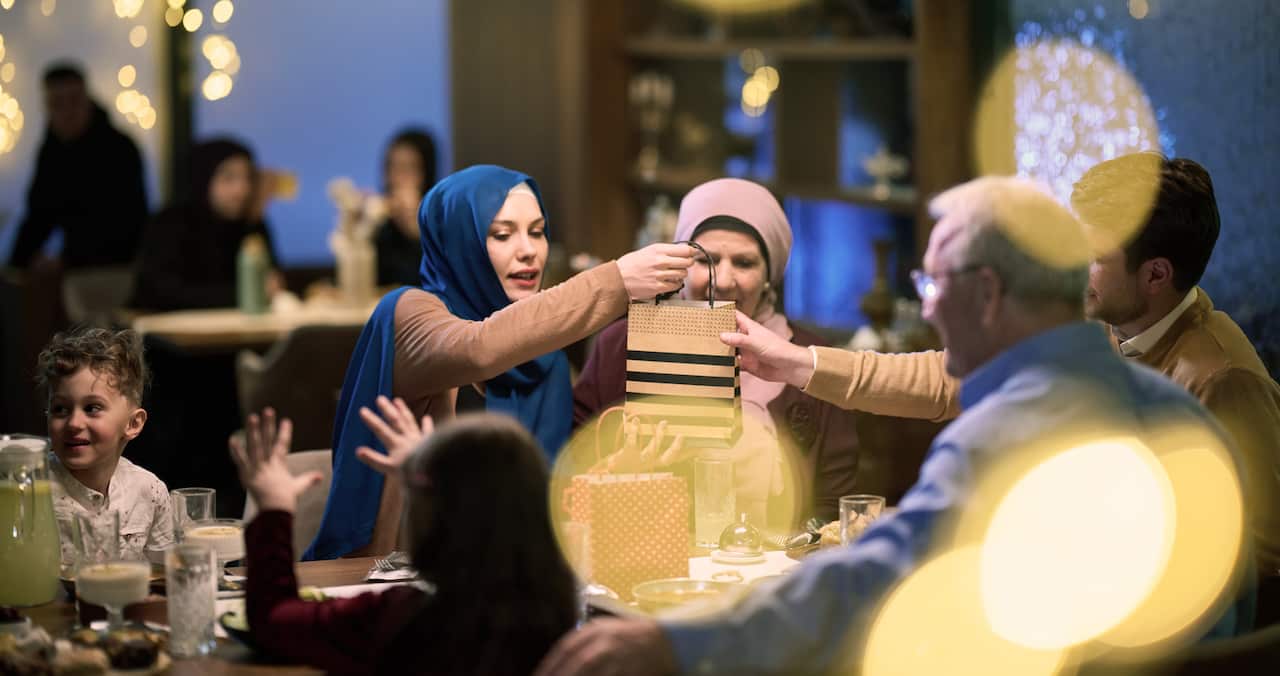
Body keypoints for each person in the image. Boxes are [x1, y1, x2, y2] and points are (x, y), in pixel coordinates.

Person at [534, 176, 1252, 676]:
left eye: (931, 283)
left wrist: (676, 645)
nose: (928, 310)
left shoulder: (1003, 439)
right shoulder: (1175, 410)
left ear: (988, 294)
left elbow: (867, 585)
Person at [753, 154, 1280, 587]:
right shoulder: (1097, 322)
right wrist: (797, 362)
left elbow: (1260, 560)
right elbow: (948, 381)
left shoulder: (1220, 377)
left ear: (1156, 275)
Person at [303, 164, 695, 560]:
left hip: (505, 583)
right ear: (460, 242)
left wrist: (611, 473)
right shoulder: (407, 313)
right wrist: (616, 280)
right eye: (502, 234)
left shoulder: (547, 361)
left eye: (538, 232)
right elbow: (479, 349)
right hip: (399, 578)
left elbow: (545, 506)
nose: (528, 250)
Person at [573, 178, 858, 524]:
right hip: (647, 560)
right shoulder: (623, 344)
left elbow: (832, 504)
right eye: (705, 260)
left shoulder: (811, 358)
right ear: (681, 264)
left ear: (770, 275)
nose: (722, 280)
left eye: (744, 263)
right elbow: (578, 468)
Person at [231, 404, 578, 675]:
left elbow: (274, 619)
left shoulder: (400, 619)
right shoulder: (563, 620)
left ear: (433, 521)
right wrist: (426, 474)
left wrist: (274, 510)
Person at [34, 327, 173, 566]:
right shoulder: (32, 492)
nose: (74, 423)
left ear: (133, 423)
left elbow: (163, 577)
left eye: (92, 408)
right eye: (60, 409)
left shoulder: (150, 492)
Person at [6, 64, 148, 271]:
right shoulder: (52, 151)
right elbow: (39, 215)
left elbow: (122, 223)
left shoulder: (118, 150)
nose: (67, 112)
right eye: (57, 104)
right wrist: (16, 265)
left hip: (115, 269)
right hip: (79, 267)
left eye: (74, 101)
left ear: (86, 100)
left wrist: (68, 261)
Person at [129, 138, 281, 311]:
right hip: (161, 331)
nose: (242, 189)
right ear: (203, 178)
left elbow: (272, 281)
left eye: (248, 178)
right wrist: (243, 294)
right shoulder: (170, 223)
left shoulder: (250, 223)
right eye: (229, 178)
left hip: (231, 329)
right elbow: (163, 293)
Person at [375, 128, 438, 287]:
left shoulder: (442, 220)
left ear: (427, 173)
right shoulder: (382, 223)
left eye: (408, 168)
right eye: (392, 167)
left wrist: (414, 230)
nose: (397, 178)